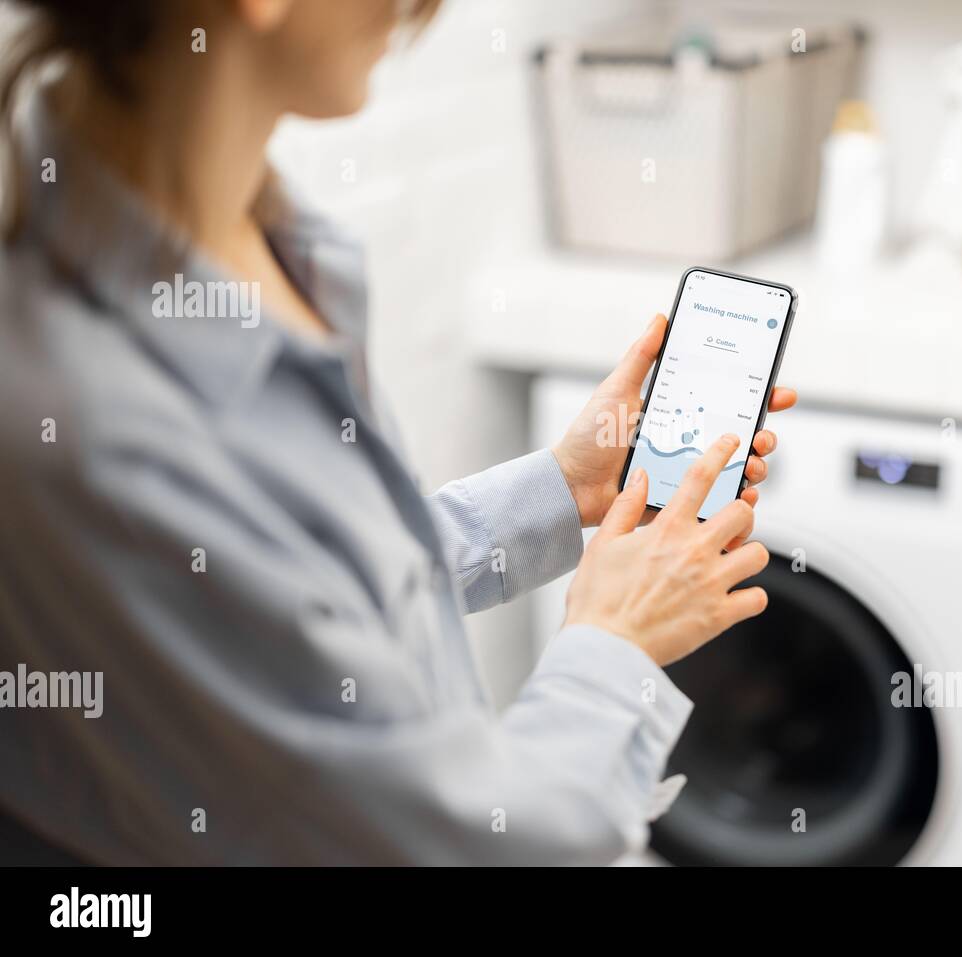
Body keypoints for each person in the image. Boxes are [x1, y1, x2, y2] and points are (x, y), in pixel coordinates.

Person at [0, 0, 796, 864]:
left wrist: (562, 490)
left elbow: (309, 604)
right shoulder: (93, 433)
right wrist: (614, 640)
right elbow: (463, 846)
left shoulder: (260, 229)